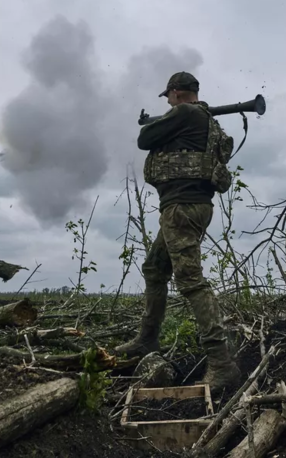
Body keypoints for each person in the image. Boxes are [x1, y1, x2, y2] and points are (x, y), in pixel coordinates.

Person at [115, 71, 241, 393]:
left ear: (175, 93)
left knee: (190, 281)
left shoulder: (185, 113)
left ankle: (222, 362)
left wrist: (164, 120)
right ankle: (147, 340)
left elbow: (144, 139)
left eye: (168, 96)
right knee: (155, 269)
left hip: (182, 208)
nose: (168, 102)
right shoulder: (205, 120)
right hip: (189, 207)